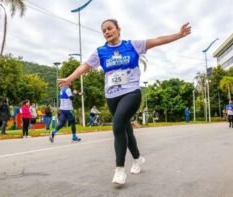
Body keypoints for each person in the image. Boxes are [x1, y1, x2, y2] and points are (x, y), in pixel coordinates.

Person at [57, 19, 191, 185]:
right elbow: (85, 66)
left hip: (131, 93)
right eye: (104, 30)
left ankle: (119, 169)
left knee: (118, 125)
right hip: (112, 96)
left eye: (110, 28)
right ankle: (137, 158)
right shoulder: (101, 52)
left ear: (118, 30)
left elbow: (158, 40)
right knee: (126, 129)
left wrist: (179, 34)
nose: (107, 32)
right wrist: (70, 79)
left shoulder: (133, 45)